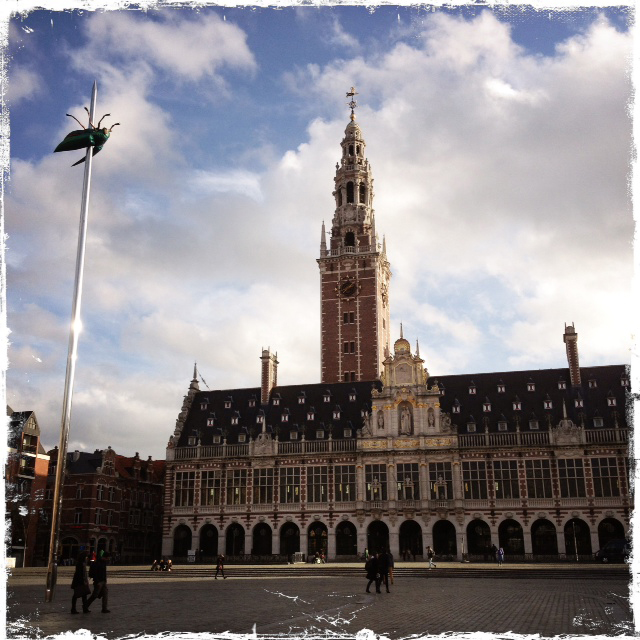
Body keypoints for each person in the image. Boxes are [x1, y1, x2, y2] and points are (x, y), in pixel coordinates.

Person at [70, 549, 91, 614]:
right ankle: (74, 609)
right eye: (86, 557)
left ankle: (84, 608)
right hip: (79, 582)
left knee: (84, 595)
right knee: (76, 595)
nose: (87, 559)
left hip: (81, 581)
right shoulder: (80, 564)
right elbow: (80, 574)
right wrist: (83, 581)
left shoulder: (82, 564)